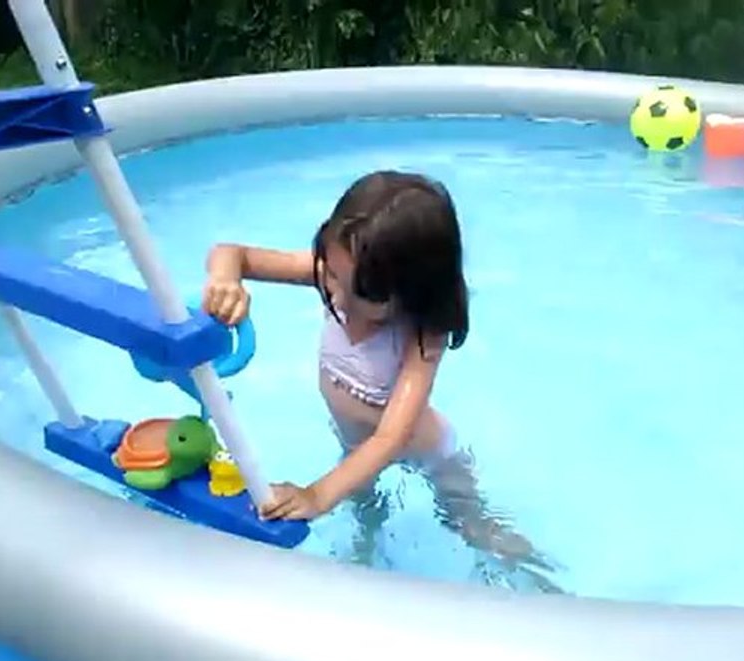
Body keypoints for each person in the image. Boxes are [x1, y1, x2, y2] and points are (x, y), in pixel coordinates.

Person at [202, 170, 540, 562]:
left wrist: (316, 496)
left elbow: (391, 437)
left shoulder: (422, 334)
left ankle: (537, 578)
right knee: (364, 514)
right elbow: (232, 253)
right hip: (355, 445)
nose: (336, 296)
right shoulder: (337, 274)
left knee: (472, 527)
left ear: (412, 294)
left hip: (424, 450)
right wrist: (225, 281)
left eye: (360, 294)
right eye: (331, 274)